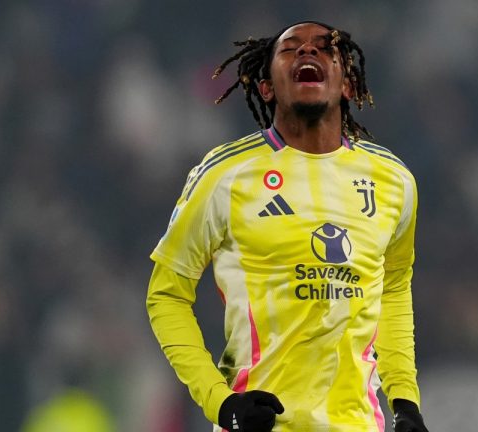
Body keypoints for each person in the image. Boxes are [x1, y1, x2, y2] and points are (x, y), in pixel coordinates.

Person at [146, 20, 428, 432]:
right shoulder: (224, 175)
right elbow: (166, 294)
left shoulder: (394, 180)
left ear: (347, 85)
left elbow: (394, 289)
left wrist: (405, 401)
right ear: (267, 88)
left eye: (324, 48)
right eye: (291, 48)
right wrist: (222, 403)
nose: (307, 52)